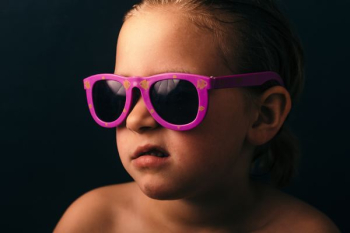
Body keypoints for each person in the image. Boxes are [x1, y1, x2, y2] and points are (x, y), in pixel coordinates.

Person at [54, 0, 340, 232]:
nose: (135, 120)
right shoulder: (93, 221)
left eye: (175, 94)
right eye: (117, 93)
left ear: (262, 115)